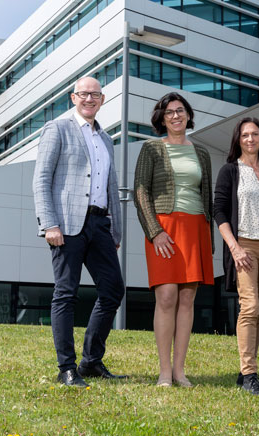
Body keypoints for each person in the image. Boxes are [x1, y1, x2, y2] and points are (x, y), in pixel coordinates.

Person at [32, 76, 127, 387]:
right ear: (73, 98)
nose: (90, 99)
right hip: (67, 225)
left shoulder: (106, 140)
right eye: (84, 94)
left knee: (113, 289)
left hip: (100, 224)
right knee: (66, 293)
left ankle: (91, 361)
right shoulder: (57, 129)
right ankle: (66, 369)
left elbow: (111, 186)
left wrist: (116, 229)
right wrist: (49, 224)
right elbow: (41, 179)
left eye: (95, 94)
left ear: (102, 100)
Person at [133, 92, 213, 388]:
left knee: (187, 298)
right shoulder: (151, 148)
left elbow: (206, 196)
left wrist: (209, 239)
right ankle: (164, 372)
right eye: (169, 112)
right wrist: (154, 231)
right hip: (164, 228)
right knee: (166, 296)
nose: (176, 116)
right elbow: (140, 192)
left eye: (180, 111)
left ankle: (180, 371)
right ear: (162, 119)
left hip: (195, 228)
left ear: (189, 115)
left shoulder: (201, 153)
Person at [214, 117, 259, 396]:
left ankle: (248, 370)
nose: (250, 139)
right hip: (243, 246)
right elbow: (219, 211)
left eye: (255, 134)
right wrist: (234, 248)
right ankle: (249, 374)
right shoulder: (230, 171)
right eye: (245, 135)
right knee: (250, 307)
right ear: (238, 139)